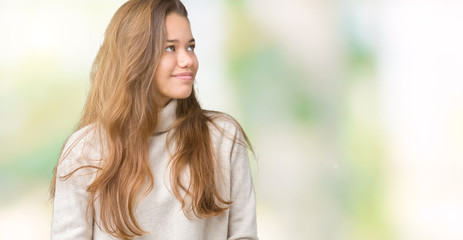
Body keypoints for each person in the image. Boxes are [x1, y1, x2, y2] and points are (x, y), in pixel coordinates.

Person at [49, 0, 258, 239]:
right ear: (135, 56)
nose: (187, 60)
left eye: (190, 47)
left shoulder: (223, 137)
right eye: (170, 48)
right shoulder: (84, 150)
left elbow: (244, 235)